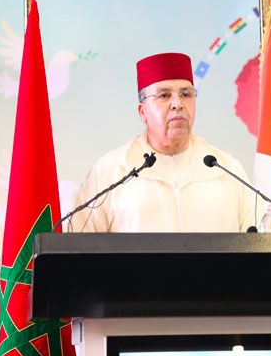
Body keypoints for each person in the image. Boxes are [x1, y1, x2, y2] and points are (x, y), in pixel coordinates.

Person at [71, 52, 257, 232]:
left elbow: (257, 247)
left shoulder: (227, 170)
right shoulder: (110, 172)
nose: (178, 104)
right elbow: (77, 251)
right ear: (142, 112)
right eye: (164, 96)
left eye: (186, 94)